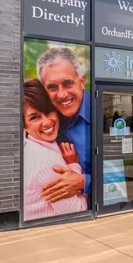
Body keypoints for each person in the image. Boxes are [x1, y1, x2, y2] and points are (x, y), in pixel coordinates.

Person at [22, 79, 87, 220]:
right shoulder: (48, 162)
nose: (47, 122)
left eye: (49, 111)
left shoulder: (29, 147)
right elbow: (77, 212)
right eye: (35, 118)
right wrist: (74, 166)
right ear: (24, 126)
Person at [36, 47, 91, 203]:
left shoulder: (103, 113)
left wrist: (83, 182)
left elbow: (127, 174)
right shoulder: (45, 120)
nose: (62, 94)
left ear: (82, 81)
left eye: (68, 83)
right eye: (52, 87)